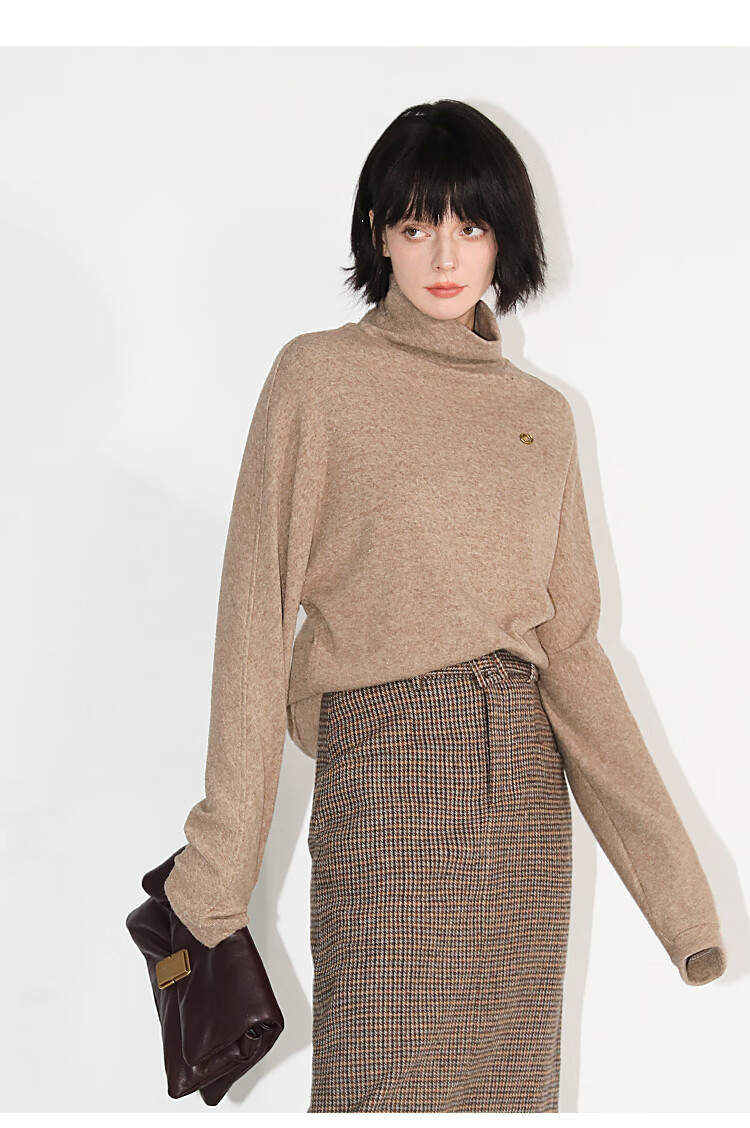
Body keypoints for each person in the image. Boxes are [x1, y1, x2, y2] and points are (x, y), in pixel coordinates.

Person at [163, 99, 727, 1113]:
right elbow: (253, 617)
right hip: (386, 776)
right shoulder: (319, 380)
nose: (444, 255)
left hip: (525, 795)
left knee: (511, 1097)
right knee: (381, 1087)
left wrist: (680, 902)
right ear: (377, 234)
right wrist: (220, 865)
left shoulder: (540, 417)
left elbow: (573, 653)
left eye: (471, 225)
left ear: (506, 239)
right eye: (416, 224)